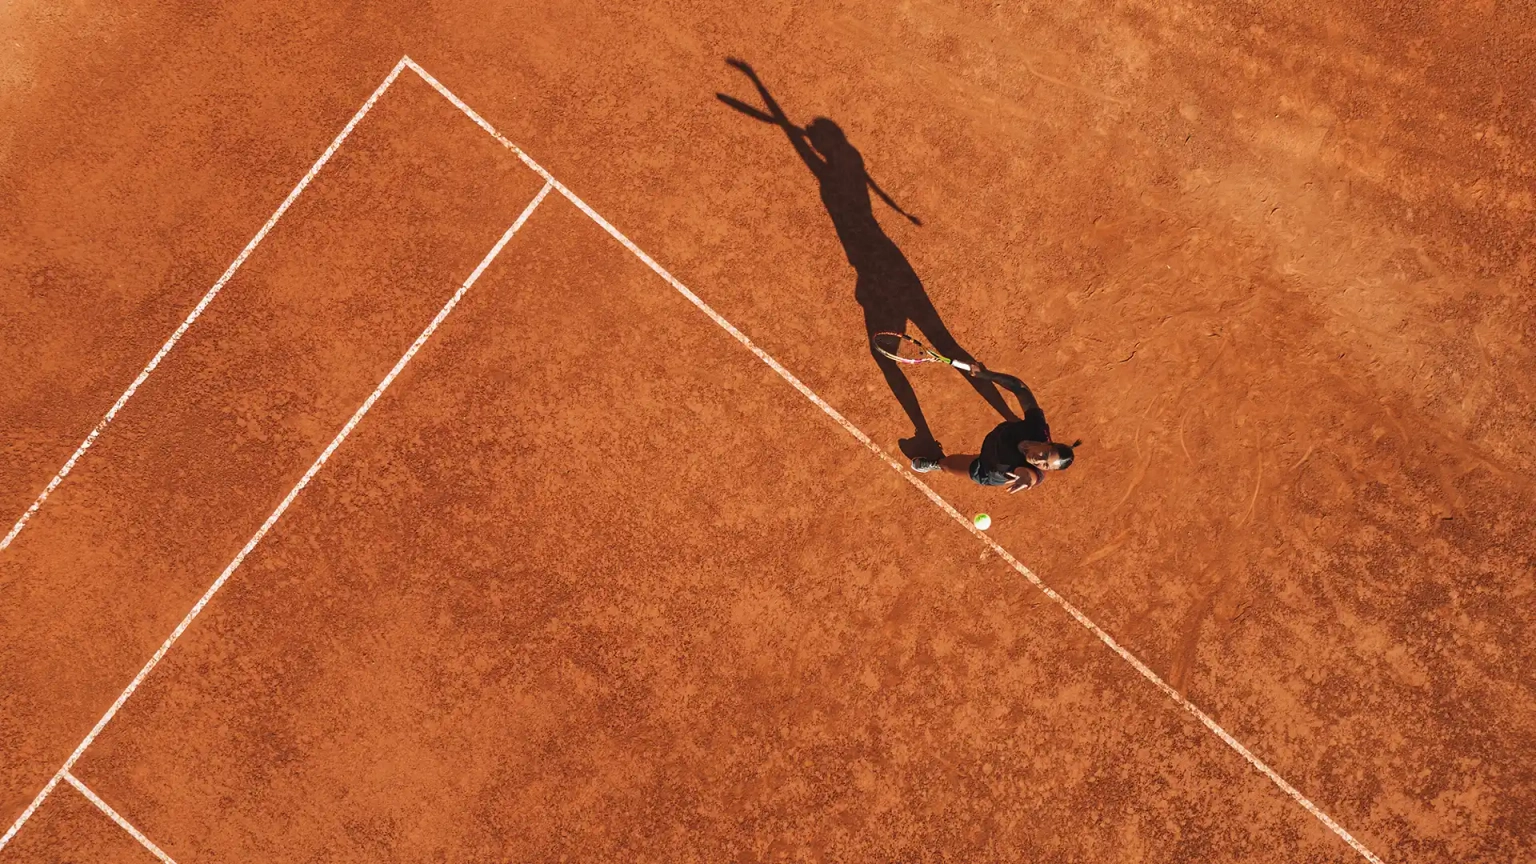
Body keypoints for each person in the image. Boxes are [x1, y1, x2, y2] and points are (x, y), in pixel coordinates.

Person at [910, 364, 1076, 493]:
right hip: (1003, 435)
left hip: (989, 465)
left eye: (1045, 465)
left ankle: (936, 464)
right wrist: (987, 375)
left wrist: (1026, 479)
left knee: (948, 465)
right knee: (1018, 424)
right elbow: (1021, 389)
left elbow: (1029, 476)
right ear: (1048, 443)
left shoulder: (1031, 472)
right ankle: (1015, 424)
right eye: (1045, 454)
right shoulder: (1036, 427)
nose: (1038, 460)